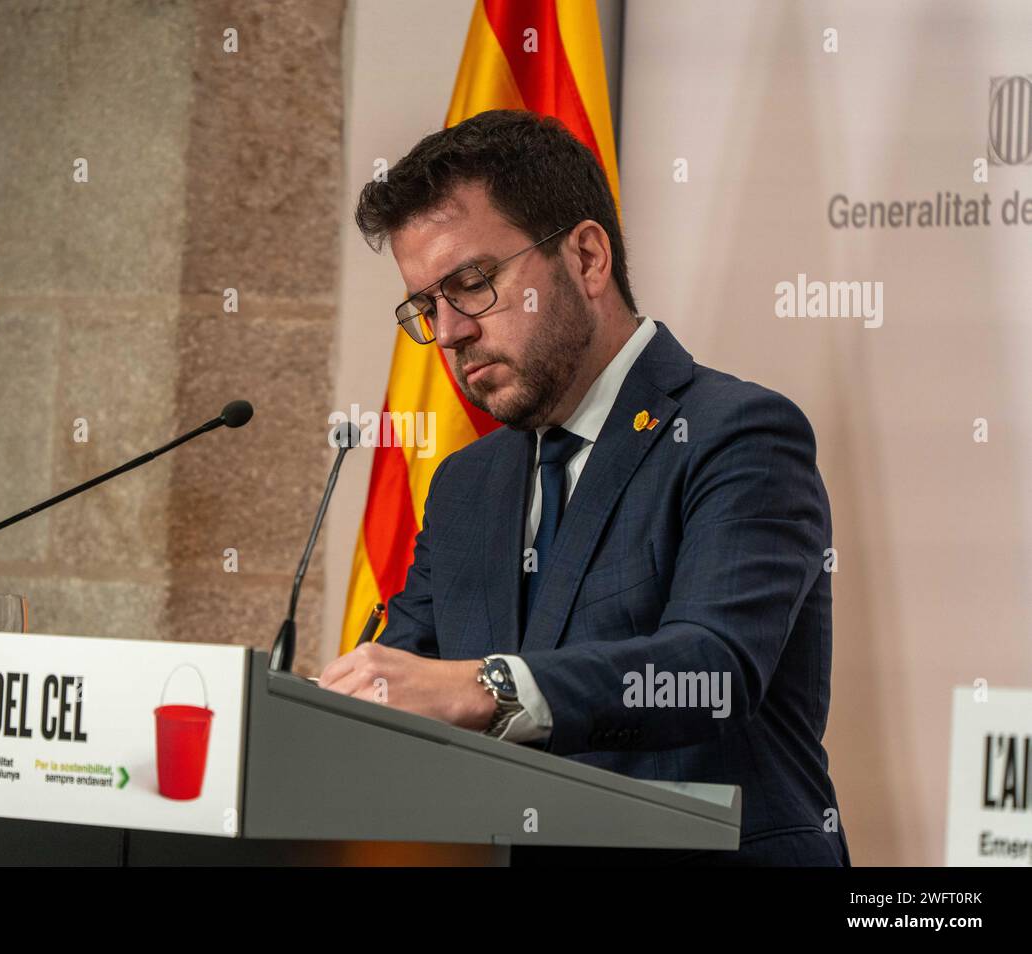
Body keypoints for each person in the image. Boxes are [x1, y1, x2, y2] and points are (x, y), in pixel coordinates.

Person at [319, 109, 849, 866]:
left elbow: (710, 672)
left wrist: (489, 686)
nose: (449, 332)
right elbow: (399, 685)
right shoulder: (467, 486)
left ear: (588, 258)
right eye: (426, 307)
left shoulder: (740, 434)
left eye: (471, 284)